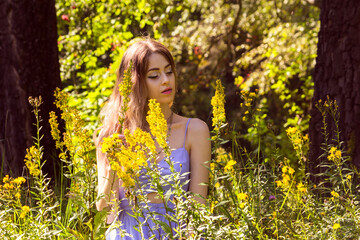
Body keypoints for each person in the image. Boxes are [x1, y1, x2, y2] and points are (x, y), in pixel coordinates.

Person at [94, 38, 211, 239]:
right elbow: (106, 214)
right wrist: (115, 164)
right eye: (154, 75)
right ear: (135, 82)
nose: (166, 80)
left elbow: (198, 207)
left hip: (176, 233)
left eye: (169, 71)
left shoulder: (195, 130)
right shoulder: (111, 134)